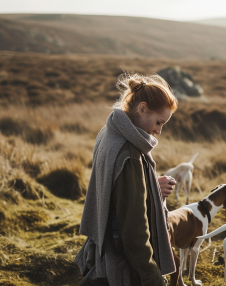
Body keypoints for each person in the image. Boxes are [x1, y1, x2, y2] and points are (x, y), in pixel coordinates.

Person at [77, 73, 178, 286]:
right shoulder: (130, 154)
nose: (158, 131)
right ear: (142, 109)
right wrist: (153, 277)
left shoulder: (108, 132)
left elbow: (114, 189)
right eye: (158, 122)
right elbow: (135, 232)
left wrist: (149, 187)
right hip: (122, 261)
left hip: (105, 246)